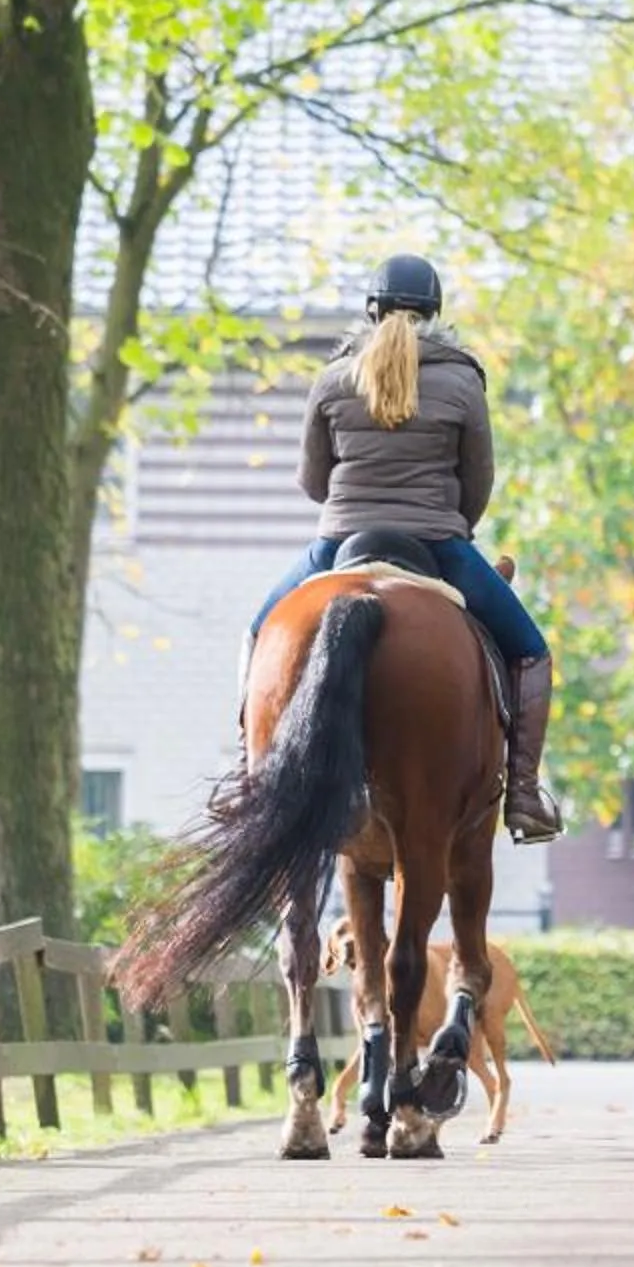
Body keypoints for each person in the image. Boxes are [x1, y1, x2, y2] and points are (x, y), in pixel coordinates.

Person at [249, 253, 562, 843]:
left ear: (372, 311)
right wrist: (450, 523)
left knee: (259, 633)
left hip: (339, 541)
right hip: (436, 541)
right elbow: (479, 480)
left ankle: (248, 777)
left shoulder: (334, 377)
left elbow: (313, 482)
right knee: (530, 650)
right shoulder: (464, 380)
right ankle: (522, 795)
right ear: (436, 312)